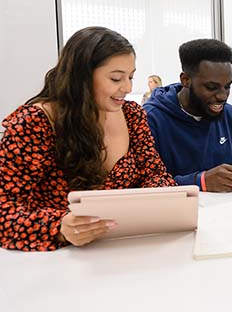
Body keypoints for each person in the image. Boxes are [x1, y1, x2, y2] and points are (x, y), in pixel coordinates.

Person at [0, 27, 175, 252]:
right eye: (116, 78)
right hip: (56, 263)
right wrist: (59, 227)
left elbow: (155, 174)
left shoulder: (132, 115)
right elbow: (4, 209)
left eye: (130, 77)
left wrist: (157, 199)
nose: (128, 88)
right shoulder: (35, 123)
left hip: (124, 250)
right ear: (81, 76)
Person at [144, 39, 232, 193]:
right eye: (211, 87)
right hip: (180, 215)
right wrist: (200, 182)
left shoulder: (230, 115)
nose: (222, 96)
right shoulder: (151, 120)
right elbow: (143, 185)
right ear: (185, 80)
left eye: (227, 86)